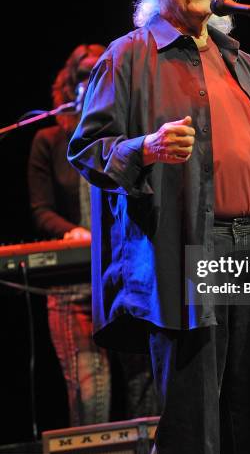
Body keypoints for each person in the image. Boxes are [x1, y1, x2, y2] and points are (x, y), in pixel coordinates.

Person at [68, 0, 250, 454]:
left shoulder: (239, 58)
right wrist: (145, 147)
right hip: (185, 247)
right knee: (192, 416)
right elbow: (84, 148)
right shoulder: (128, 56)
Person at [28, 45, 159, 427]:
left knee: (146, 387)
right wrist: (72, 230)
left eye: (96, 74)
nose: (90, 83)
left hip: (126, 275)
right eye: (82, 77)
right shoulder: (49, 141)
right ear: (69, 87)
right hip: (75, 289)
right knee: (91, 395)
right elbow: (41, 210)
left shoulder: (132, 138)